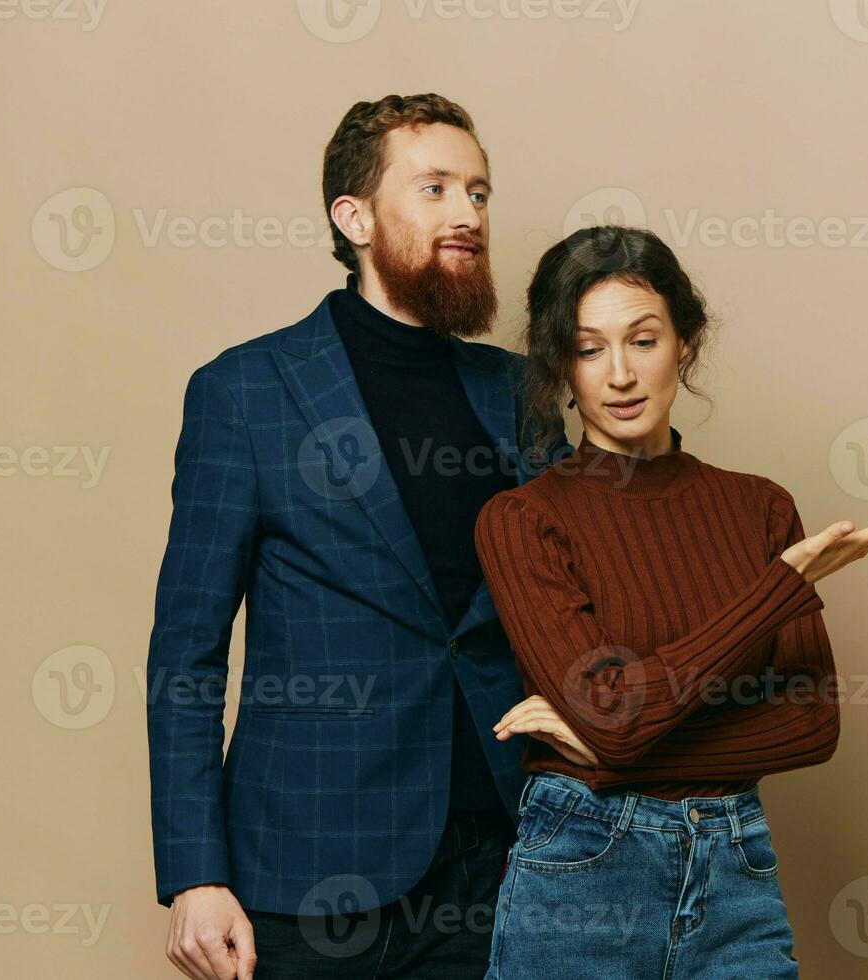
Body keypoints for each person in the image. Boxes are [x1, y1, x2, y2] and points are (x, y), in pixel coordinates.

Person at [145, 92, 570, 980]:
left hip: (498, 862)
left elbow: (581, 593)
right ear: (355, 217)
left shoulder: (517, 392)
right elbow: (186, 654)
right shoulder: (247, 391)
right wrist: (195, 874)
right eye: (437, 188)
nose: (468, 214)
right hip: (305, 876)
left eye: (480, 193)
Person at [472, 225, 868, 978]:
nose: (619, 374)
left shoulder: (760, 509)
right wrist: (779, 590)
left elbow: (813, 722)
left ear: (685, 342)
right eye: (588, 349)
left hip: (735, 865)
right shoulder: (524, 520)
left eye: (642, 340)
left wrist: (612, 758)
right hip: (583, 870)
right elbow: (612, 711)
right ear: (561, 369)